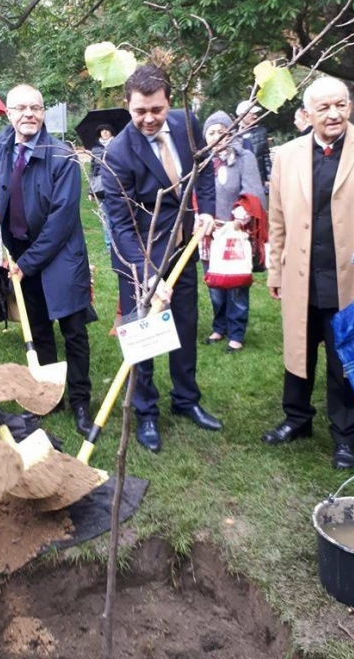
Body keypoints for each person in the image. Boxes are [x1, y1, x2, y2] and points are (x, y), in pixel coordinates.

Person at [262, 77, 354, 469]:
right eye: (323, 107)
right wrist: (275, 271)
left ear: (350, 107)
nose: (334, 114)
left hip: (352, 278)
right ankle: (297, 419)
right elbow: (277, 219)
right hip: (301, 275)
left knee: (346, 358)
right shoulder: (287, 155)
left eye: (340, 105)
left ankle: (345, 436)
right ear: (307, 114)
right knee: (299, 351)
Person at [101, 64, 222, 453]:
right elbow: (120, 224)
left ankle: (187, 400)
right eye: (140, 111)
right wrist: (148, 276)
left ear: (167, 101)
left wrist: (206, 209)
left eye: (156, 109)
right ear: (127, 106)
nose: (149, 119)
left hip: (183, 247)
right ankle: (146, 411)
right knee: (144, 334)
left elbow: (203, 169)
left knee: (185, 325)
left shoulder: (187, 122)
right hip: (140, 255)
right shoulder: (118, 154)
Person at [0, 84, 94, 437]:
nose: (29, 114)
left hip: (60, 256)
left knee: (73, 331)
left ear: (43, 112)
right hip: (21, 255)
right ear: (9, 114)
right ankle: (50, 395)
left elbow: (62, 220)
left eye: (35, 107)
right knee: (37, 329)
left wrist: (27, 262)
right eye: (20, 108)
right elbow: (0, 191)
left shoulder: (63, 156)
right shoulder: (2, 146)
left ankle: (81, 401)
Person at [202, 110, 267, 353]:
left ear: (231, 132)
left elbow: (253, 193)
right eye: (212, 132)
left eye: (222, 131)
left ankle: (236, 333)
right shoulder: (202, 161)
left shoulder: (244, 157)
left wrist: (239, 219)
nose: (217, 136)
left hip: (235, 232)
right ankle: (219, 327)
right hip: (209, 234)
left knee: (236, 284)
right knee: (215, 284)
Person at [89, 124, 115, 250]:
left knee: (117, 215)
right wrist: (90, 190)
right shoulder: (95, 149)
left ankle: (120, 243)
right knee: (105, 217)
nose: (104, 132)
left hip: (116, 185)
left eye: (107, 130)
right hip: (100, 187)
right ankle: (109, 245)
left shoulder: (118, 144)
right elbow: (92, 170)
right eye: (102, 130)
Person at [236, 100, 272, 191]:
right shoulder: (234, 135)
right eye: (252, 114)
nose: (255, 116)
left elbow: (265, 156)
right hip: (239, 180)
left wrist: (268, 178)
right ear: (243, 115)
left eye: (256, 114)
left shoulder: (261, 131)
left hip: (258, 178)